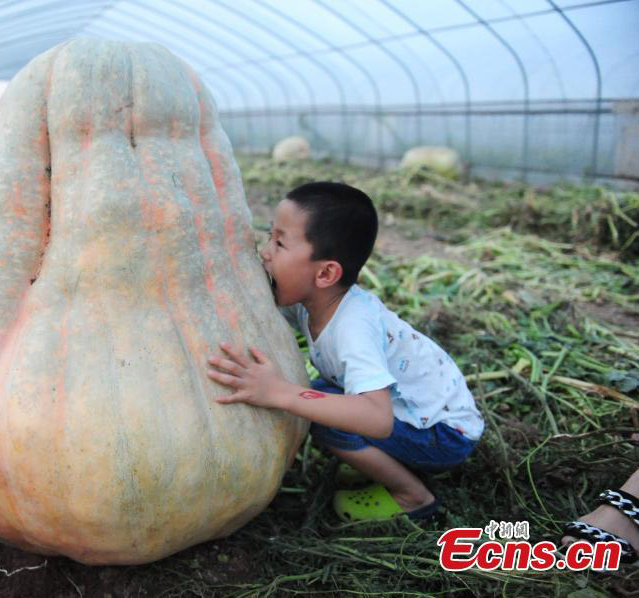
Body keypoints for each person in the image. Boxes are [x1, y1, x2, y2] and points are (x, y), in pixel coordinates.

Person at [206, 181, 484, 521]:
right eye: (269, 236)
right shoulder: (312, 303)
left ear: (325, 272)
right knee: (321, 400)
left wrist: (280, 393)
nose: (266, 251)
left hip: (444, 434)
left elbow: (377, 420)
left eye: (279, 243)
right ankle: (388, 463)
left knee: (322, 415)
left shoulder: (353, 329)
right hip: (421, 415)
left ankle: (413, 496)